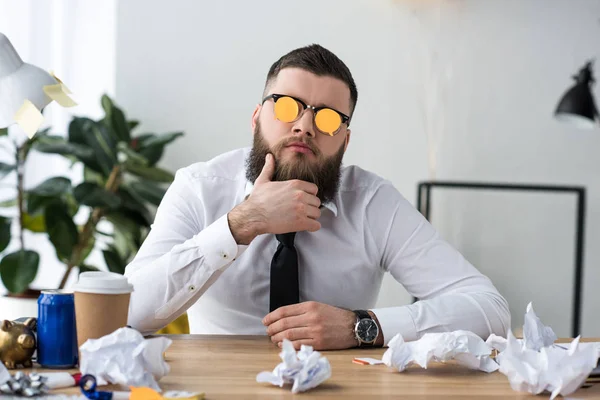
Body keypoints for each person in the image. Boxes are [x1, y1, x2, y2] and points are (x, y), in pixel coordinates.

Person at [125, 44, 510, 350]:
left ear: (344, 139)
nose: (304, 126)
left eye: (327, 119)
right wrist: (242, 223)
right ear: (257, 117)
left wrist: (361, 326)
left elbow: (488, 309)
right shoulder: (199, 187)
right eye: (288, 107)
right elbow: (129, 312)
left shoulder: (372, 201)